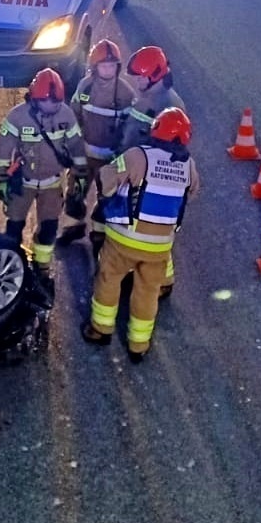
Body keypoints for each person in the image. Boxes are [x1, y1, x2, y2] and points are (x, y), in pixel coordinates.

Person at [82, 107, 200, 363]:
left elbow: (106, 177)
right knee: (147, 291)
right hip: (159, 247)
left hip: (124, 239)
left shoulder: (138, 156)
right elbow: (191, 192)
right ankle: (139, 344)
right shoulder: (189, 166)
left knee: (109, 278)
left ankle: (101, 329)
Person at [0, 68, 87, 282]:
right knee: (14, 225)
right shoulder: (18, 117)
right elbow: (3, 149)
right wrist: (2, 179)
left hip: (52, 184)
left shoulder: (66, 114)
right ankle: (10, 263)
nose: (53, 108)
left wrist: (81, 173)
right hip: (22, 183)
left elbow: (76, 146)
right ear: (36, 99)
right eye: (49, 104)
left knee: (49, 227)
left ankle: (42, 265)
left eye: (57, 103)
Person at [55, 39, 135, 250]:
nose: (108, 69)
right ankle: (74, 227)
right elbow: (74, 116)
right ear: (94, 66)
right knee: (75, 192)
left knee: (107, 196)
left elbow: (130, 128)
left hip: (110, 159)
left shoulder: (125, 94)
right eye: (103, 65)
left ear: (117, 67)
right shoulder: (86, 87)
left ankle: (99, 236)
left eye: (111, 65)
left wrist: (122, 154)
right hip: (84, 155)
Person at [117, 46, 187, 152]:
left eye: (140, 77)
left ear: (155, 75)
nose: (137, 81)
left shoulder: (171, 107)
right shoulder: (148, 94)